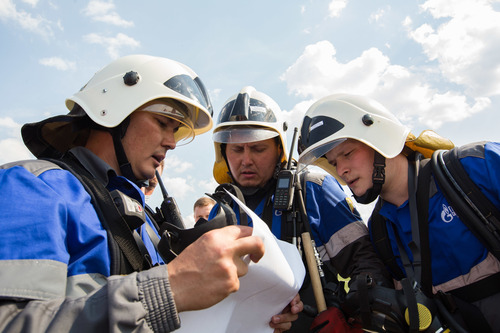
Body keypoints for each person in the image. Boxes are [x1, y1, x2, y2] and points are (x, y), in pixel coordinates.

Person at [0, 54, 266, 332]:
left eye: (176, 130)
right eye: (163, 123)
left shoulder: (143, 217)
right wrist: (167, 290)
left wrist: (256, 308)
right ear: (113, 112)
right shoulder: (34, 186)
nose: (172, 143)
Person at [297, 93, 500, 332]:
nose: (341, 170)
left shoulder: (475, 166)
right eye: (332, 163)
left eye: (348, 153)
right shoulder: (380, 229)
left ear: (380, 138)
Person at [209, 86, 392, 332]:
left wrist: (355, 318)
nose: (246, 160)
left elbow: (366, 263)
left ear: (279, 150)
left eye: (258, 148)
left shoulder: (312, 189)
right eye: (236, 149)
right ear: (223, 152)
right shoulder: (221, 209)